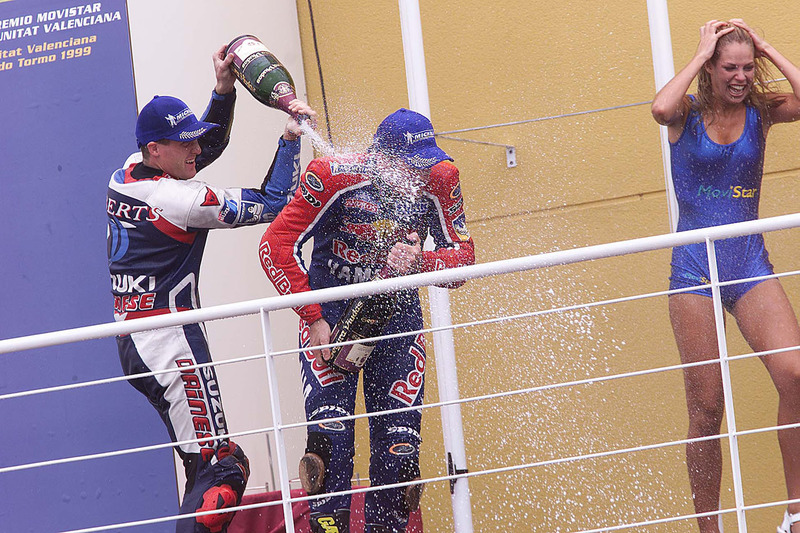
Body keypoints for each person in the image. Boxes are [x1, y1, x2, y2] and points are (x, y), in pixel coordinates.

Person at [105, 44, 316, 533]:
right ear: (156, 150)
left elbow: (205, 152)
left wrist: (223, 91)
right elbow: (273, 201)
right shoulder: (179, 200)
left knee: (201, 470)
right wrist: (290, 138)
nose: (197, 150)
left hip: (138, 342)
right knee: (224, 467)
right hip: (170, 345)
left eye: (195, 139)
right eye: (185, 144)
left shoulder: (125, 174)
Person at [259, 108, 475, 533]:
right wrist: (313, 316)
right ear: (383, 158)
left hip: (399, 323)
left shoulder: (441, 177)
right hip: (331, 320)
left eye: (426, 164)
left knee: (399, 458)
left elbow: (463, 261)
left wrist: (421, 261)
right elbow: (274, 245)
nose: (421, 175)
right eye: (412, 166)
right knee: (328, 452)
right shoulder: (332, 175)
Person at [651, 19, 800, 533]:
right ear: (711, 69)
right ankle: (709, 529)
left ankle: (796, 512)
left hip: (747, 263)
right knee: (707, 408)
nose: (739, 77)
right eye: (728, 67)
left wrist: (768, 48)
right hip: (693, 270)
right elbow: (658, 109)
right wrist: (699, 51)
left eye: (746, 68)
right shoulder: (686, 115)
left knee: (796, 372)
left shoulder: (762, 112)